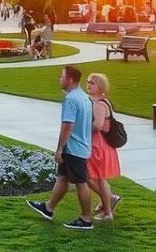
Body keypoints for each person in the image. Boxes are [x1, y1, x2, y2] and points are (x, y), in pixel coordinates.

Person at [27, 65, 96, 230]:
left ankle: (86, 219)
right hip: (79, 146)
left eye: (61, 76)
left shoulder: (71, 99)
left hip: (73, 149)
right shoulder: (85, 97)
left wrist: (59, 149)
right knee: (62, 178)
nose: (59, 78)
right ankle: (48, 208)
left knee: (81, 182)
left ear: (70, 79)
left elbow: (67, 127)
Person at [86, 73, 122, 221]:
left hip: (99, 144)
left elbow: (98, 125)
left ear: (100, 86)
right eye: (88, 81)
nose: (88, 84)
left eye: (92, 83)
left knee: (98, 178)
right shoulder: (98, 101)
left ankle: (108, 212)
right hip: (98, 143)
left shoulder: (100, 103)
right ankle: (108, 199)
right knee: (88, 176)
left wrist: (80, 129)